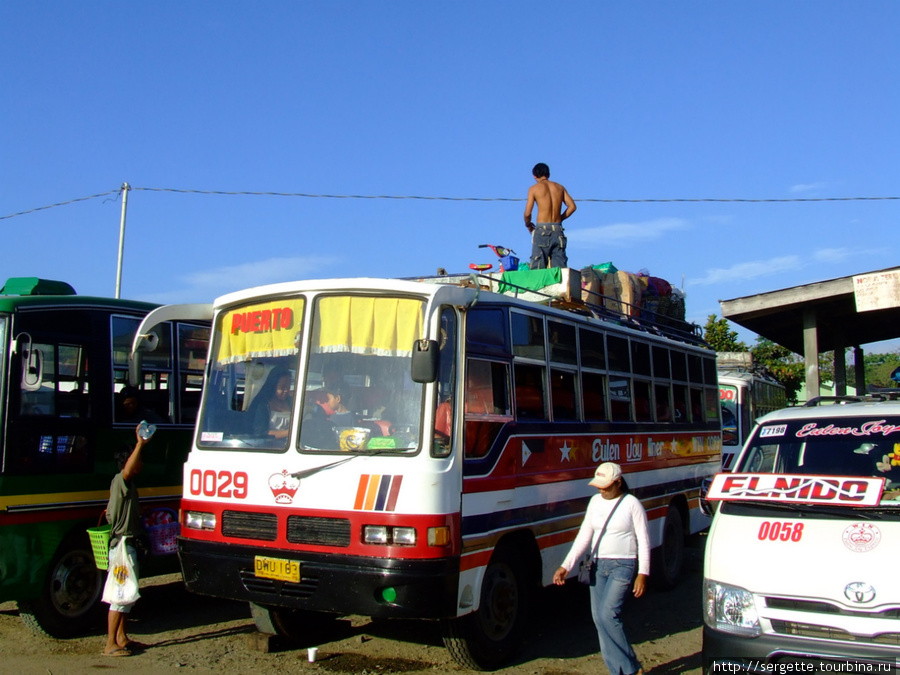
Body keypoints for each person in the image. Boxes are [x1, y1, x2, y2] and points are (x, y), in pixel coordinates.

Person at [553, 462, 649, 675]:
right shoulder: (595, 502)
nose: (601, 489)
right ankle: (618, 670)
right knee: (598, 618)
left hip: (623, 566)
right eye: (598, 486)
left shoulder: (632, 504)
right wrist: (565, 566)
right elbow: (583, 536)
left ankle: (631, 667)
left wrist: (643, 574)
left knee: (608, 615)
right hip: (597, 566)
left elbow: (643, 540)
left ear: (618, 482)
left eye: (605, 486)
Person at [103, 424, 152, 657]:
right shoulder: (122, 481)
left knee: (125, 595)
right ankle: (110, 643)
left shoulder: (123, 486)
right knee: (119, 596)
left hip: (125, 544)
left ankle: (121, 638)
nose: (141, 464)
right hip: (122, 545)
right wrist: (140, 444)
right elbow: (129, 469)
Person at [523, 162, 576, 269]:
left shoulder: (534, 189)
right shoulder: (560, 188)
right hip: (558, 230)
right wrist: (559, 218)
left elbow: (528, 213)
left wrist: (528, 224)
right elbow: (572, 207)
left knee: (538, 268)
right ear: (548, 174)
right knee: (560, 269)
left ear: (534, 176)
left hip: (542, 230)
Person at [247, 367, 293, 439]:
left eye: (288, 386)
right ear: (273, 386)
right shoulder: (262, 405)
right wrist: (290, 432)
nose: (286, 390)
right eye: (282, 387)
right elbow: (260, 433)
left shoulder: (292, 403)